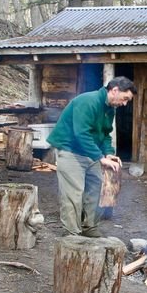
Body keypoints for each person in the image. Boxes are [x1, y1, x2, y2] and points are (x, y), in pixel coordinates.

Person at [47, 76, 136, 237]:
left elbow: (105, 134)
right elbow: (81, 133)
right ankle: (72, 233)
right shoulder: (88, 101)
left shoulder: (110, 108)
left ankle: (90, 226)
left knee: (97, 187)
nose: (125, 104)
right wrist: (100, 157)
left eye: (127, 101)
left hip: (90, 152)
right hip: (70, 151)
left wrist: (108, 153)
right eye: (125, 99)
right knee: (74, 192)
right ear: (114, 90)